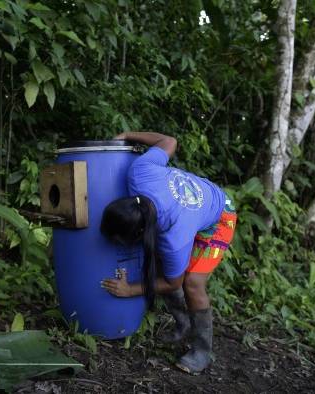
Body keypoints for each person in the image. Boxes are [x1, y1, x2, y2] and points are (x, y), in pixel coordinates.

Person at [100, 131, 237, 374]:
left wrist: (130, 289)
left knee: (192, 284)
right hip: (194, 205)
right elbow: (170, 141)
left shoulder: (174, 237)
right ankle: (183, 324)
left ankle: (202, 351)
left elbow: (174, 283)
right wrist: (128, 134)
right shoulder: (139, 174)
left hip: (219, 215)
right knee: (165, 264)